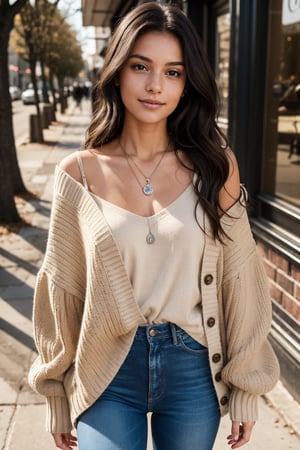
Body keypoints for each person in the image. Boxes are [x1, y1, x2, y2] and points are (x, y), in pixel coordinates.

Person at [28, 3, 280, 450]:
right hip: (107, 365)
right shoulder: (77, 174)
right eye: (140, 66)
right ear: (118, 71)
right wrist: (56, 395)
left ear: (187, 84)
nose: (154, 85)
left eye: (173, 72)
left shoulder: (216, 167)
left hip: (192, 368)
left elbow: (240, 280)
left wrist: (246, 390)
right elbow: (62, 291)